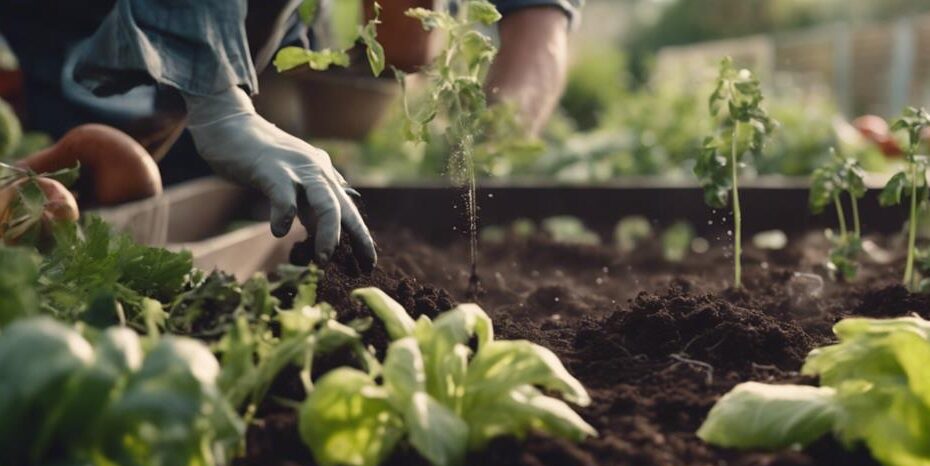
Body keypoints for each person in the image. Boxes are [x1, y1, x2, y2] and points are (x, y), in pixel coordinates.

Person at [0, 0, 581, 267]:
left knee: (223, 216)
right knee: (72, 219)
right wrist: (216, 97)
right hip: (79, 39)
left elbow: (534, 22)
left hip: (248, 49)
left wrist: (493, 142)